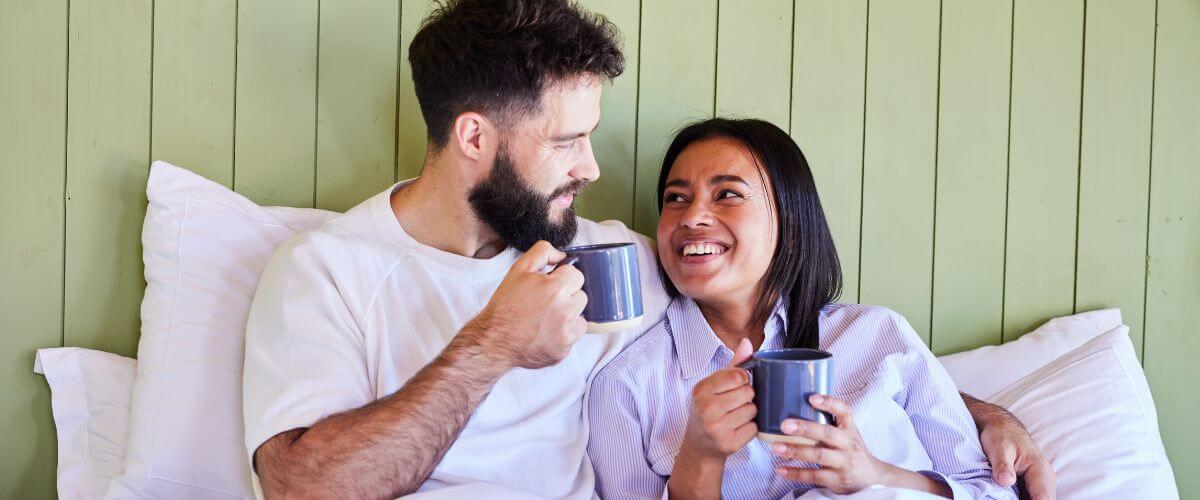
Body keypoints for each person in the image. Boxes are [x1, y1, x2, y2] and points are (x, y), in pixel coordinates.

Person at [240, 0, 1053, 498]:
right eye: (567, 143)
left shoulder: (611, 258)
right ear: (476, 137)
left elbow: (773, 321)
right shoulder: (325, 271)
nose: (592, 169)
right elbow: (305, 488)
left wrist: (978, 413)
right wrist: (495, 343)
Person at [587, 118, 1019, 499]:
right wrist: (699, 456)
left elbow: (991, 492)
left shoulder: (879, 336)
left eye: (727, 195)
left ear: (789, 221)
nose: (692, 216)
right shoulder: (627, 387)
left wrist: (876, 474)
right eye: (675, 198)